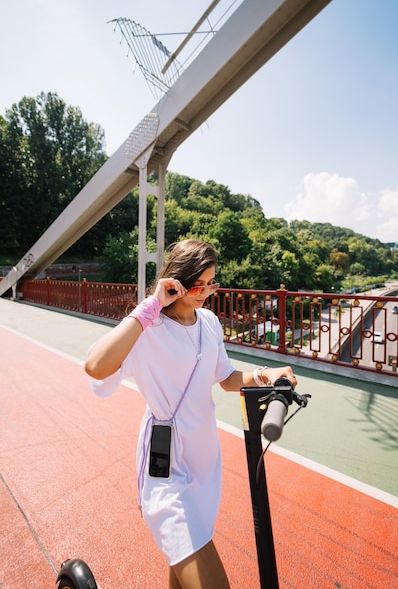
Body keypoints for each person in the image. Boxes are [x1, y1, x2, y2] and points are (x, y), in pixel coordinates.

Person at [85, 239, 297, 589]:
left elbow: (226, 378)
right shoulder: (147, 329)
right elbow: (95, 366)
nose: (205, 292)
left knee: (184, 568)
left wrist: (265, 374)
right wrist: (151, 305)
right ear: (176, 281)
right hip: (166, 468)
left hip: (205, 465)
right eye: (197, 285)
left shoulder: (210, 322)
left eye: (211, 283)